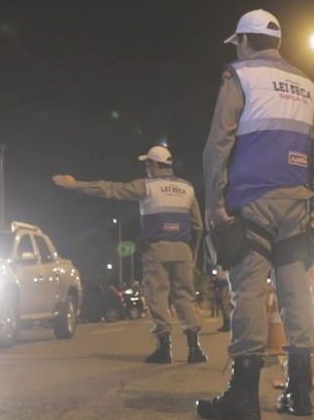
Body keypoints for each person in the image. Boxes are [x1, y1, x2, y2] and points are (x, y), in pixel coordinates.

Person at [196, 8, 314, 420]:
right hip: (297, 206)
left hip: (251, 204)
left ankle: (243, 397)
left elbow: (217, 146)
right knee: (297, 295)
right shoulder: (306, 85)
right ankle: (300, 394)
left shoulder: (239, 76)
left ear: (243, 41)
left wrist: (213, 203)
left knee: (250, 295)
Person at [53, 145, 208, 364]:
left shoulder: (147, 186)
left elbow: (111, 189)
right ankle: (195, 349)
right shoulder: (187, 188)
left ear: (153, 165)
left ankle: (164, 350)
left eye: (147, 164)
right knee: (185, 298)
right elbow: (199, 227)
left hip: (157, 250)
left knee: (157, 298)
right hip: (182, 249)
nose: (146, 168)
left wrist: (77, 184)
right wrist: (193, 252)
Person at [212, 265, 232, 332]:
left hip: (225, 282)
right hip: (220, 282)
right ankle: (226, 324)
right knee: (223, 305)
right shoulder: (216, 264)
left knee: (226, 305)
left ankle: (228, 324)